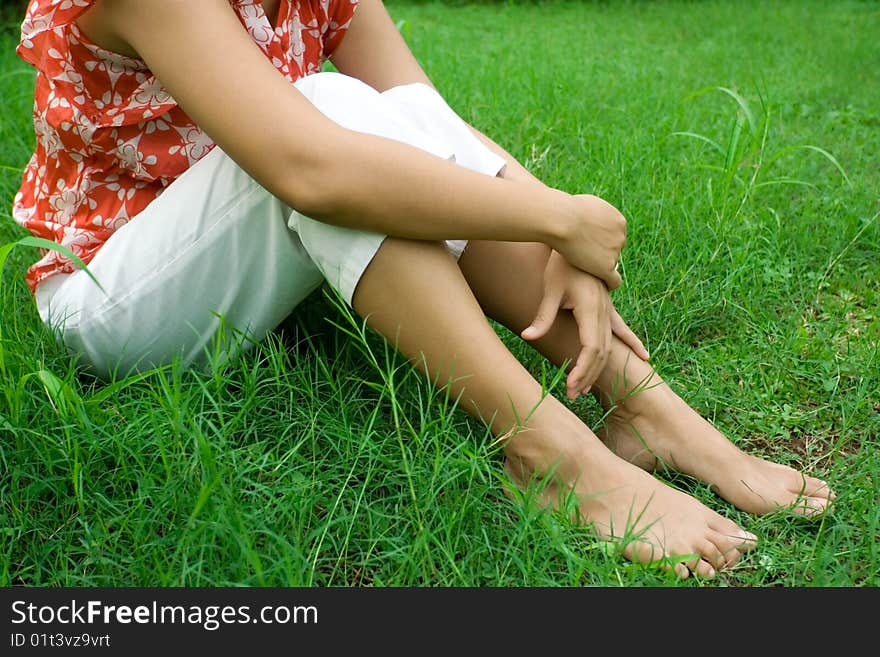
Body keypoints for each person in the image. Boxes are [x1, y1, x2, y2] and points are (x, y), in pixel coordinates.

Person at [12, 0, 834, 579]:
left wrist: (568, 230)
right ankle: (552, 455)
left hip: (243, 242)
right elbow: (313, 167)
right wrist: (555, 219)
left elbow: (424, 119)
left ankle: (647, 408)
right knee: (331, 120)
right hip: (113, 295)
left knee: (374, 122)